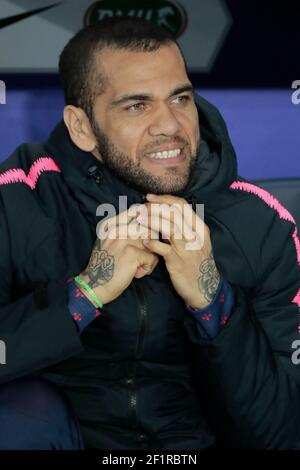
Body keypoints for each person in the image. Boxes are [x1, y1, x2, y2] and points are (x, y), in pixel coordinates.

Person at [0, 16, 299, 450]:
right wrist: (83, 295)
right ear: (82, 128)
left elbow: (282, 432)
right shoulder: (18, 199)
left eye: (180, 98)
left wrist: (213, 297)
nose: (171, 126)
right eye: (137, 106)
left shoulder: (258, 221)